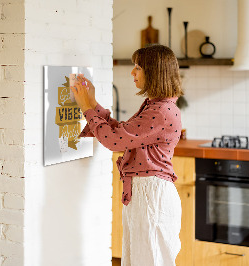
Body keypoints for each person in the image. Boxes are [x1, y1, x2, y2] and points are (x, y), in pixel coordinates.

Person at [71, 44, 183, 266]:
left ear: (154, 72)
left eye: (138, 67)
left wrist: (86, 108)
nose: (133, 73)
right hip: (146, 195)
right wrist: (92, 103)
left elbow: (114, 141)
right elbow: (122, 133)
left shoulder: (160, 111)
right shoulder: (156, 106)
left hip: (151, 197)